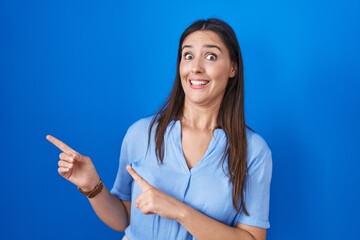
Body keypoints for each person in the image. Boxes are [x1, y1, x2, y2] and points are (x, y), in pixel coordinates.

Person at [47, 18, 272, 240]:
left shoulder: (254, 151)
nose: (196, 67)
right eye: (188, 56)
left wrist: (180, 211)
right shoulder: (140, 134)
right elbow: (123, 219)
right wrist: (92, 186)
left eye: (211, 56)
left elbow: (252, 238)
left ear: (233, 67)